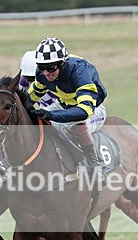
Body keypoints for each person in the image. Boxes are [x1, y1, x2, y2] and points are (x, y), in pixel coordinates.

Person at [25, 37, 107, 173]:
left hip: (92, 109)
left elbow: (84, 111)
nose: (46, 73)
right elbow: (32, 96)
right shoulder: (41, 74)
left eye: (50, 67)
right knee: (36, 120)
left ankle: (96, 164)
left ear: (62, 64)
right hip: (64, 105)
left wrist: (52, 115)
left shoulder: (80, 71)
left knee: (75, 124)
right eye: (42, 67)